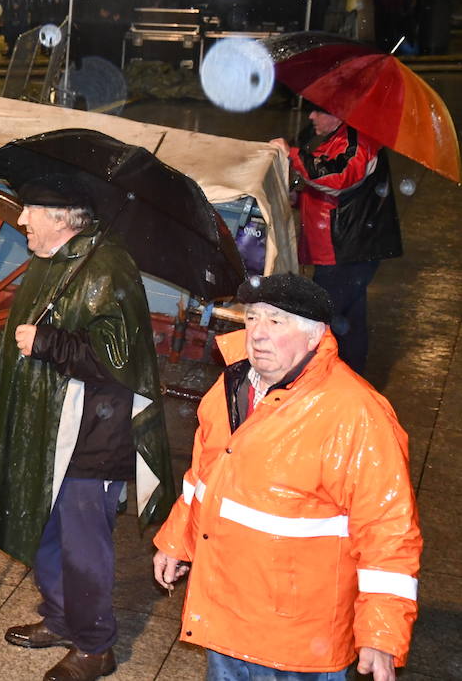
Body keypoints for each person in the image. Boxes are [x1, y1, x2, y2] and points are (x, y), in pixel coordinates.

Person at [0, 173, 175, 681]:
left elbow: (123, 362)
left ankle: (96, 647)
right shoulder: (52, 264)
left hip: (94, 435)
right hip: (47, 428)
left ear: (60, 218)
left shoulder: (107, 270)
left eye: (30, 210)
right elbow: (25, 340)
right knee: (43, 529)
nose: (21, 219)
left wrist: (52, 344)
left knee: (83, 546)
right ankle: (62, 619)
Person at [153, 273, 420, 681]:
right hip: (225, 617)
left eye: (277, 322)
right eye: (253, 318)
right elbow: (202, 480)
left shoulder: (356, 414)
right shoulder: (230, 388)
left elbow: (388, 531)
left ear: (314, 337)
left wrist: (381, 633)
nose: (258, 333)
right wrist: (176, 542)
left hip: (298, 643)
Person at [270, 108, 401, 376]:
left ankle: (315, 382)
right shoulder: (338, 140)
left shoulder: (358, 141)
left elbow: (338, 178)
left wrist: (291, 154)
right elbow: (325, 181)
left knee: (318, 320)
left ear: (338, 113)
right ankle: (349, 377)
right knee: (347, 320)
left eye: (317, 111)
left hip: (346, 251)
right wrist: (299, 193)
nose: (311, 117)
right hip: (343, 250)